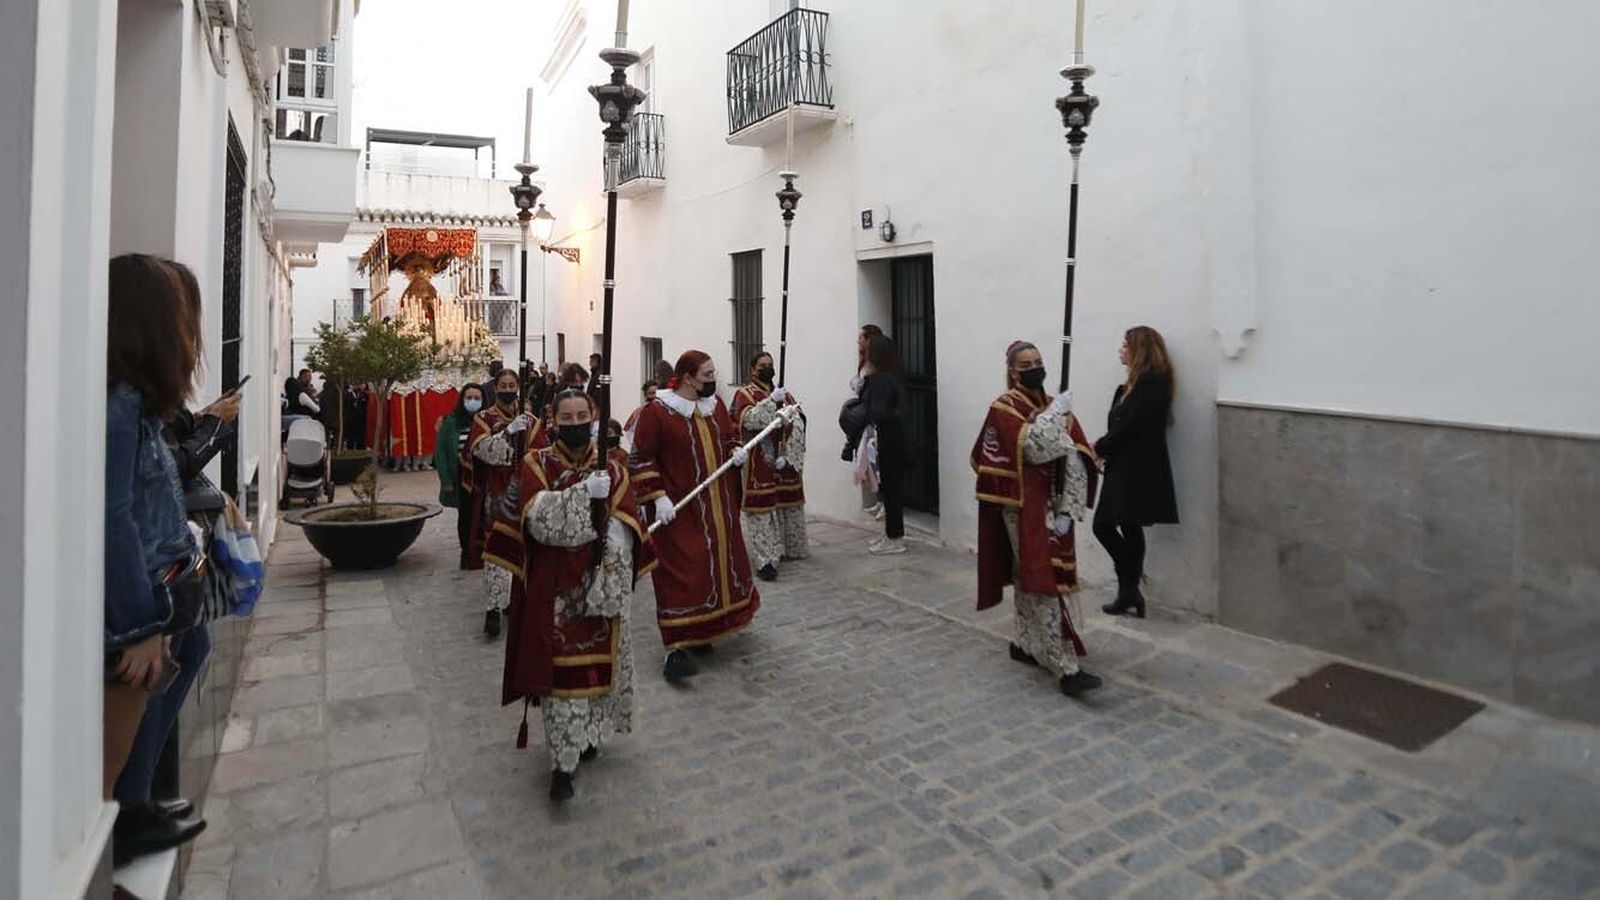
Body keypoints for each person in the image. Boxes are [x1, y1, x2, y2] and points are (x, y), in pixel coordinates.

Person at [110, 260, 237, 857]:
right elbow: (115, 515)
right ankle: (131, 808)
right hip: (145, 597)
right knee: (160, 670)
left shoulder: (139, 407)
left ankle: (147, 795)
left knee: (193, 648)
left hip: (169, 577)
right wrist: (139, 623)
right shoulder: (119, 410)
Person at [501, 389, 654, 801]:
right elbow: (537, 521)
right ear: (553, 419)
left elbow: (629, 522)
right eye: (566, 417)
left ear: (594, 416)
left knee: (594, 674)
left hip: (600, 588)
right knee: (560, 677)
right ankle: (561, 765)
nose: (574, 424)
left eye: (581, 415)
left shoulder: (613, 465)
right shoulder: (537, 463)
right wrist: (582, 496)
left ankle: (587, 739)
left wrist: (613, 530)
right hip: (554, 592)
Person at [973, 340, 1105, 697]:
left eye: (1039, 361)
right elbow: (1031, 447)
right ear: (1013, 371)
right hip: (1022, 506)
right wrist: (1052, 418)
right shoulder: (1004, 407)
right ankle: (1065, 667)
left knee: (1026, 574)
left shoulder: (1052, 405)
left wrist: (1069, 510)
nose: (1035, 367)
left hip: (1053, 506)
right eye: (1027, 363)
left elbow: (1078, 451)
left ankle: (1023, 641)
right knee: (1040, 577)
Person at [630, 350, 760, 682]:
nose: (712, 380)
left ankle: (704, 632)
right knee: (682, 574)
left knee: (713, 568)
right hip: (679, 512)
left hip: (718, 509)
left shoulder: (715, 406)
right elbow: (642, 459)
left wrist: (736, 450)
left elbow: (728, 433)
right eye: (706, 375)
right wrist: (657, 497)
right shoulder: (656, 412)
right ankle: (676, 645)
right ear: (687, 378)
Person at [1093, 326, 1179, 618]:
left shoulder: (1154, 383)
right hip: (1122, 465)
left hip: (1138, 469)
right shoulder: (1128, 386)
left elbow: (1131, 427)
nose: (1121, 350)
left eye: (1125, 346)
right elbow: (1119, 426)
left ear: (1139, 350)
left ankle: (1128, 589)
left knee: (1110, 525)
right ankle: (1129, 590)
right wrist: (1106, 451)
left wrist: (1099, 448)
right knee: (1121, 526)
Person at [464, 370, 543, 636]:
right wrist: (507, 433)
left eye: (512, 385)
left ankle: (517, 601)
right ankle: (494, 607)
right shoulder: (484, 418)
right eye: (504, 385)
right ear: (495, 388)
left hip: (524, 490)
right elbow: (479, 450)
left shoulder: (531, 420)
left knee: (525, 547)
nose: (508, 389)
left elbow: (541, 454)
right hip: (497, 492)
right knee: (497, 548)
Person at [731, 352, 807, 581]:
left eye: (770, 365)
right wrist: (771, 401)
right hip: (759, 461)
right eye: (762, 366)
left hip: (784, 460)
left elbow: (799, 418)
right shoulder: (744, 394)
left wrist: (790, 429)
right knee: (762, 511)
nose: (767, 369)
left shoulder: (785, 393)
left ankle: (787, 548)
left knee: (786, 504)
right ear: (752, 369)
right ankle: (766, 560)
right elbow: (750, 420)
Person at [860, 333, 909, 555]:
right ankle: (891, 532)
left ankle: (895, 537)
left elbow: (876, 410)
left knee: (891, 488)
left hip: (890, 436)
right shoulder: (894, 375)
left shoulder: (882, 379)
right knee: (890, 486)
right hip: (893, 434)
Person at [436, 383, 485, 569]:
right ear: (462, 399)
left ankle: (482, 553)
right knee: (466, 516)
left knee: (482, 515)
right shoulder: (450, 422)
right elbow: (440, 453)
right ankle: (467, 553)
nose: (473, 402)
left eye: (477, 398)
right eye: (469, 398)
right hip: (461, 477)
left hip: (482, 477)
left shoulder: (486, 421)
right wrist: (446, 480)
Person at [848, 325, 885, 519]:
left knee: (877, 461)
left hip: (875, 418)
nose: (858, 341)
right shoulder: (864, 362)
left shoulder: (876, 364)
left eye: (860, 337)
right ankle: (879, 500)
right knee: (870, 461)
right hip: (867, 418)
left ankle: (885, 502)